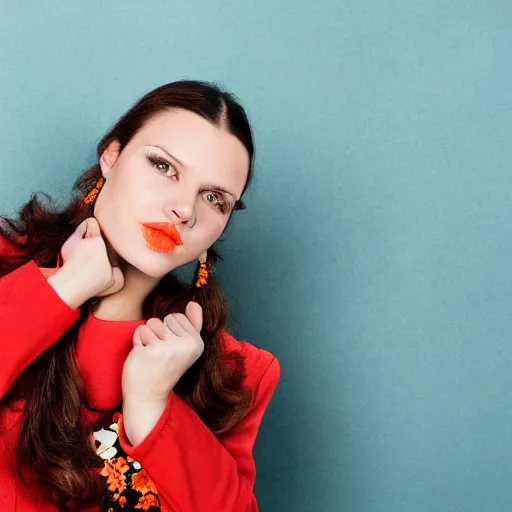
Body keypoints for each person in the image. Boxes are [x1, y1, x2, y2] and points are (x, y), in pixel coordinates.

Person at [0, 80, 280, 512]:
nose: (185, 209)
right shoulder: (7, 271)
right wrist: (63, 290)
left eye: (214, 198)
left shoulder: (235, 373)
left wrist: (153, 406)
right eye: (164, 167)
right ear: (111, 157)